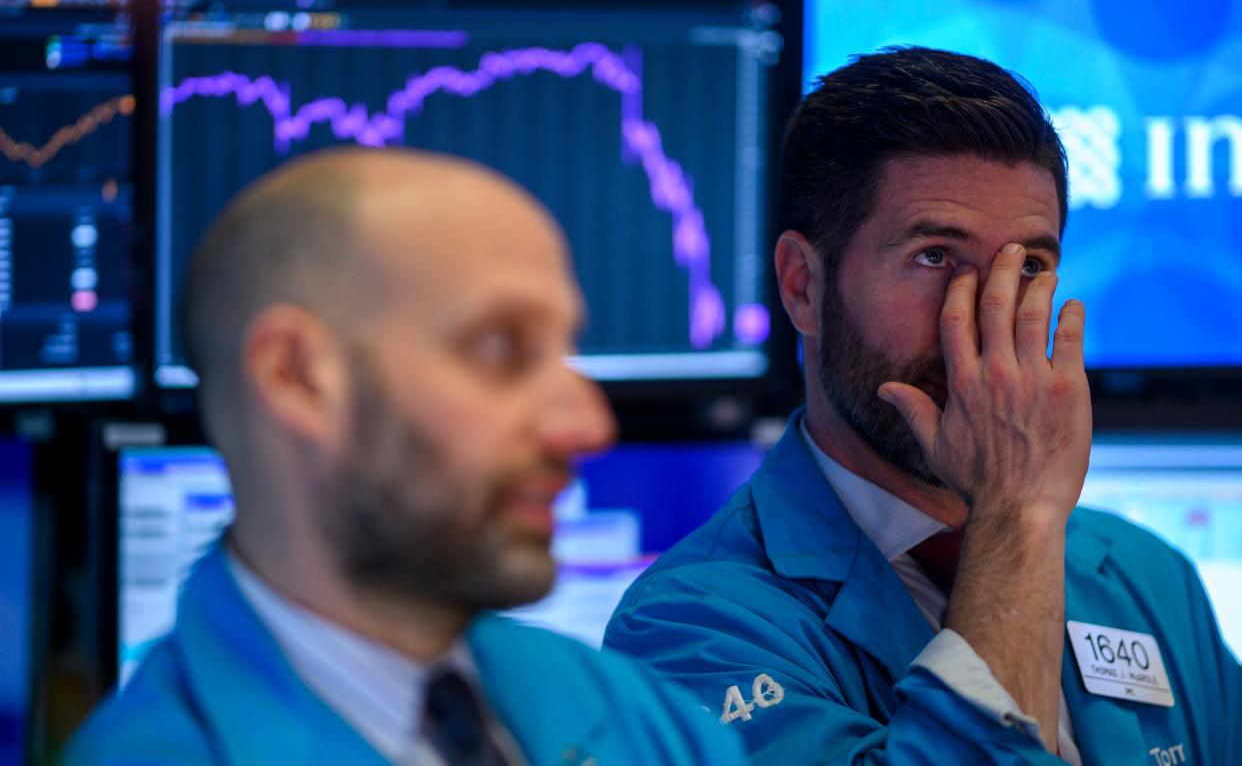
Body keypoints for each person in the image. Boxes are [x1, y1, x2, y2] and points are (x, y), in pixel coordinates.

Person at [604, 47, 1242, 764]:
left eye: (1028, 266)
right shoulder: (691, 627)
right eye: (935, 256)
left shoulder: (1145, 573)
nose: (981, 320)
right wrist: (1016, 515)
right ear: (802, 286)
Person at [67, 148, 747, 765]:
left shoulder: (639, 714)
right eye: (501, 349)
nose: (589, 425)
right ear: (296, 377)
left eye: (565, 350)